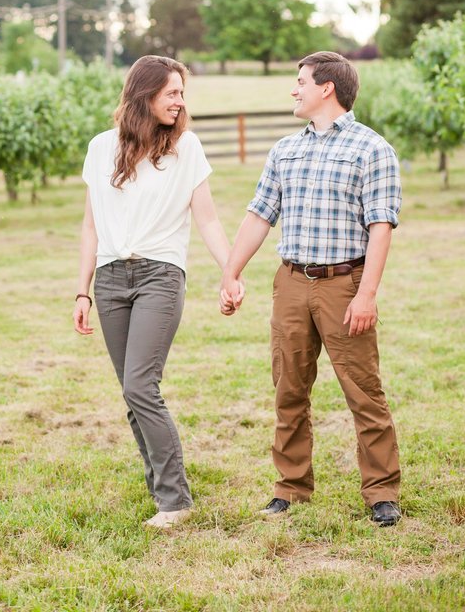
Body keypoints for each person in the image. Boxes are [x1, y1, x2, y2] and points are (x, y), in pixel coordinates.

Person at [219, 51, 403, 527]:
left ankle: (381, 492)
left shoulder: (372, 149)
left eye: (300, 81)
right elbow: (260, 215)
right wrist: (231, 272)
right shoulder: (285, 149)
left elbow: (381, 225)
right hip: (292, 283)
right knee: (289, 389)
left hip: (345, 285)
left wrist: (367, 295)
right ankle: (291, 488)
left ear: (327, 88)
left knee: (363, 391)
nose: (293, 89)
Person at [73, 55, 243, 530]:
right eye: (172, 92)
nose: (180, 101)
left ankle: (176, 501)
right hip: (109, 280)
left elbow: (206, 218)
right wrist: (81, 291)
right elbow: (90, 226)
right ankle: (161, 490)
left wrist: (230, 272)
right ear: (144, 94)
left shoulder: (185, 148)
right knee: (133, 394)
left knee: (139, 385)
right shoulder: (100, 148)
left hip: (159, 276)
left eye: (182, 93)